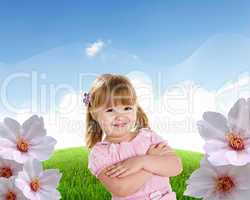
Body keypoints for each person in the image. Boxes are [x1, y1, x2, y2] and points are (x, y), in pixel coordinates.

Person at [85, 73, 182, 200]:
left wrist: (142, 161)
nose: (120, 116)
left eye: (127, 108)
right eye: (110, 110)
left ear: (136, 108)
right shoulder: (100, 153)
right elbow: (122, 189)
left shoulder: (148, 137)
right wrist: (150, 162)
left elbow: (176, 166)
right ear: (94, 113)